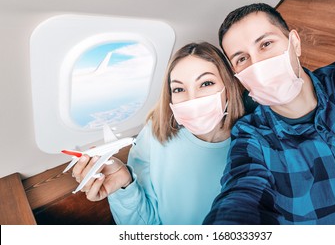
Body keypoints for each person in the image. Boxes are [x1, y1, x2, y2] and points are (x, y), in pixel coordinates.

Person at [203, 3, 335, 225]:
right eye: (242, 59)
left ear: (295, 43)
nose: (258, 64)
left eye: (266, 44)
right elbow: (241, 195)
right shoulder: (252, 138)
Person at [71, 42, 245, 224]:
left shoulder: (253, 144)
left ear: (229, 87)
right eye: (179, 89)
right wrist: (125, 186)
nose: (192, 98)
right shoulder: (154, 134)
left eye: (206, 83)